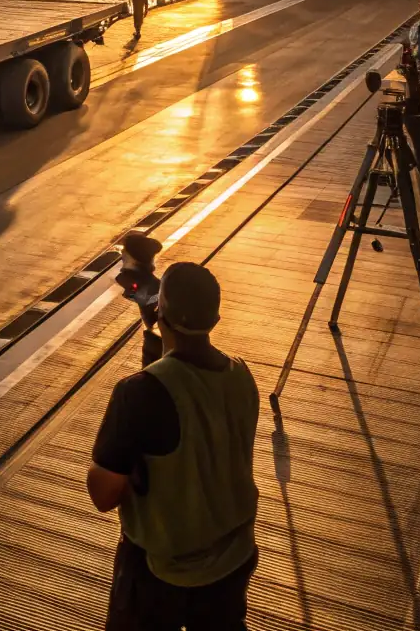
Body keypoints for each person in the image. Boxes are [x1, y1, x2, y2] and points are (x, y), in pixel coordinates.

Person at [87, 263, 259, 631]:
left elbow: (103, 494)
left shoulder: (138, 392)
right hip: (234, 556)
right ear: (215, 317)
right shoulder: (241, 373)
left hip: (164, 569)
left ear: (159, 311)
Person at [116, 233, 164, 367]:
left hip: (158, 348)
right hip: (156, 344)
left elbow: (142, 296)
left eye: (125, 252)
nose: (122, 254)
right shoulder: (148, 284)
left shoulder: (148, 287)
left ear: (134, 259)